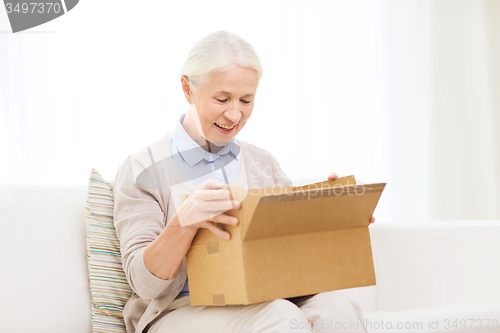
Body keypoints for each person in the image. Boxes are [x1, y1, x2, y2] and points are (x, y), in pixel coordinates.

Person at [113, 30, 375, 333]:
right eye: (221, 98)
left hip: (263, 298)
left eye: (246, 100)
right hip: (178, 310)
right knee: (277, 315)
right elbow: (144, 285)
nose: (235, 113)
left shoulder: (262, 163)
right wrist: (183, 223)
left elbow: (292, 255)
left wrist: (333, 219)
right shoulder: (142, 169)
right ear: (187, 88)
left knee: (337, 309)